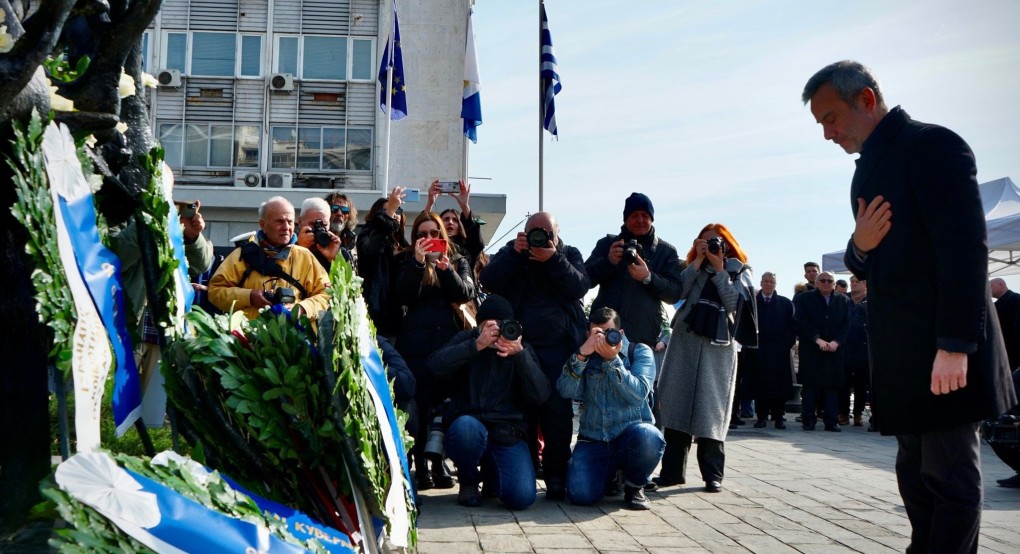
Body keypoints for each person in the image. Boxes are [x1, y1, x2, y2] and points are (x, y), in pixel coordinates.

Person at [803, 59, 1016, 552]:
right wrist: (858, 246)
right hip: (902, 356)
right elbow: (865, 259)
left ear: (867, 101)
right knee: (916, 479)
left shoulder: (934, 146)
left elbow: (966, 250)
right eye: (821, 124)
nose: (828, 134)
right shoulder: (865, 176)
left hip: (943, 352)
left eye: (831, 118)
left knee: (949, 480)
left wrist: (956, 345)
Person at [480, 211, 589, 500]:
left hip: (558, 348)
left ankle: (556, 475)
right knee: (522, 411)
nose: (539, 238)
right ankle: (526, 468)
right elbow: (488, 280)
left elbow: (580, 285)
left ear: (556, 234)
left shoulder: (569, 254)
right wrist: (515, 256)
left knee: (558, 413)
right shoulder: (512, 252)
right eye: (533, 232)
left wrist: (553, 260)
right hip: (519, 346)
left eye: (545, 233)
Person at [426, 295, 551, 509]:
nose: (496, 332)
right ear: (479, 325)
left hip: (507, 433)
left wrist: (520, 356)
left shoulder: (521, 348)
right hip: (469, 426)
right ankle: (468, 480)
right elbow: (434, 367)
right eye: (489, 326)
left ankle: (493, 476)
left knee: (521, 498)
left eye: (502, 326)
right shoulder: (468, 339)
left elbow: (541, 395)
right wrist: (476, 346)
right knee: (466, 428)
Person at [654, 223, 753, 493]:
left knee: (711, 411)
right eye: (705, 241)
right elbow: (677, 295)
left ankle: (713, 475)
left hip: (718, 347)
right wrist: (697, 262)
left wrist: (719, 269)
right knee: (676, 406)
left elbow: (735, 305)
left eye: (716, 242)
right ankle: (672, 473)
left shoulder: (738, 271)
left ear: (728, 245)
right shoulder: (691, 268)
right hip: (685, 341)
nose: (710, 246)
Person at [108, 196, 214, 427]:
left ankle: (144, 454)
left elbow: (202, 264)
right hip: (128, 328)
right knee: (117, 409)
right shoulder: (118, 214)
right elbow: (116, 257)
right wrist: (149, 219)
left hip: (162, 332)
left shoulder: (174, 226)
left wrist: (193, 236)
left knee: (152, 416)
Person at [394, 211, 475, 491]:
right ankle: (421, 464)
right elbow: (401, 296)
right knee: (419, 404)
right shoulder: (405, 259)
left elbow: (466, 292)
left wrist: (446, 269)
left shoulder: (456, 258)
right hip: (414, 344)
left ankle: (439, 461)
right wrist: (417, 263)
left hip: (448, 344)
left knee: (443, 405)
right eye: (421, 234)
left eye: (433, 234)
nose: (428, 239)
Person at [557, 308, 664, 510]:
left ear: (620, 333)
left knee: (651, 436)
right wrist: (581, 356)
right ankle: (610, 476)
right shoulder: (584, 356)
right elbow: (564, 391)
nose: (603, 339)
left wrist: (612, 361)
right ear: (588, 334)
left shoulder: (639, 352)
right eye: (597, 333)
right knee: (580, 495)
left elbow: (638, 394)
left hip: (629, 437)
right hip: (594, 439)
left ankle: (634, 485)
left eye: (608, 333)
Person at [585, 193, 684, 349]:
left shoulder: (665, 251)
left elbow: (674, 294)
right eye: (634, 215)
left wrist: (648, 278)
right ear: (625, 219)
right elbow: (585, 281)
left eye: (645, 215)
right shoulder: (607, 244)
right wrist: (608, 262)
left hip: (643, 339)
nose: (640, 220)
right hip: (604, 334)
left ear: (652, 219)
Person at [208, 197, 330, 321]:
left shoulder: (305, 257)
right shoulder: (242, 255)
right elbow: (215, 291)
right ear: (263, 225)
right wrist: (249, 296)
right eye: (279, 221)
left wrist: (302, 308)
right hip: (248, 337)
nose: (286, 227)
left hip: (291, 337)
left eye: (290, 222)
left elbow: (326, 295)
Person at [793, 271, 850, 432]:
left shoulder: (843, 300)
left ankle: (831, 421)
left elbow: (846, 325)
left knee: (832, 387)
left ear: (834, 283)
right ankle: (808, 420)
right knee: (810, 387)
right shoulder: (805, 299)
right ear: (817, 282)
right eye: (822, 280)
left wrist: (836, 342)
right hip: (812, 349)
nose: (826, 283)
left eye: (829, 280)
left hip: (834, 350)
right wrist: (816, 338)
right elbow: (801, 321)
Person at [356, 188, 410, 339]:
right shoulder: (368, 234)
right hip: (376, 314)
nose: (394, 214)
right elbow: (370, 249)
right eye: (388, 211)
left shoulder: (402, 243)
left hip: (399, 317)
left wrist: (430, 204)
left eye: (397, 210)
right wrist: (389, 213)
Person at [749, 272, 796, 429]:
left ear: (775, 284)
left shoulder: (785, 303)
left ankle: (779, 418)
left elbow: (792, 328)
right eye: (766, 281)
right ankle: (761, 417)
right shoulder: (752, 303)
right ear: (761, 283)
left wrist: (785, 345)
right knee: (760, 385)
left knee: (779, 387)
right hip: (759, 351)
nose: (768, 284)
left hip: (779, 352)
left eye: (772, 282)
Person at [423, 180, 485, 270]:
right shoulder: (431, 245)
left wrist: (465, 206)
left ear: (460, 226)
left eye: (455, 220)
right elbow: (421, 230)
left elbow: (477, 243)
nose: (450, 222)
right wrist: (430, 203)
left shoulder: (467, 247)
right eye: (446, 219)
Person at [842, 276, 870, 427]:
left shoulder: (870, 302)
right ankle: (843, 413)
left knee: (861, 385)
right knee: (844, 384)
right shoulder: (843, 300)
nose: (853, 284)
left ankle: (858, 413)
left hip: (864, 350)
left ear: (865, 285)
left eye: (857, 282)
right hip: (845, 349)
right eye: (851, 282)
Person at [296, 197, 351, 270]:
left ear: (329, 224)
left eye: (324, 225)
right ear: (300, 222)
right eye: (313, 224)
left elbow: (346, 280)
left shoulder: (340, 254)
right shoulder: (286, 249)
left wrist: (332, 260)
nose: (318, 229)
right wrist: (299, 249)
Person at [991, 278, 1020, 371]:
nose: (987, 291)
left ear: (1001, 285)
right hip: (1002, 349)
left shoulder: (1016, 299)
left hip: (1014, 349)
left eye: (990, 287)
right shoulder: (994, 305)